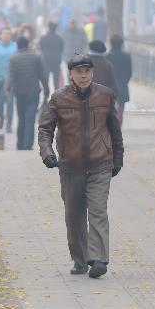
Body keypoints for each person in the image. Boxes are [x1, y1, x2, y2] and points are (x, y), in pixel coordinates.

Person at [38, 54, 124, 279]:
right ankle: (80, 260)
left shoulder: (105, 96)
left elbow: (115, 130)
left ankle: (98, 259)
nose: (84, 75)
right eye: (79, 71)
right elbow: (45, 129)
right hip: (70, 166)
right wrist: (47, 153)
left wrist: (118, 159)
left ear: (92, 73)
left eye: (87, 71)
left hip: (100, 164)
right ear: (71, 74)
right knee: (74, 216)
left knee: (97, 210)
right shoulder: (59, 98)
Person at [5, 37, 49, 150]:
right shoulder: (36, 57)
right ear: (28, 44)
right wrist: (46, 90)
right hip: (33, 92)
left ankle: (20, 144)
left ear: (17, 45)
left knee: (21, 118)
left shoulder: (13, 58)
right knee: (30, 119)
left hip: (19, 92)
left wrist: (7, 89)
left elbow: (11, 76)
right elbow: (42, 75)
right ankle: (28, 145)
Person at [106, 34, 132, 122]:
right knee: (120, 109)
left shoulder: (107, 56)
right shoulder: (127, 56)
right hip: (122, 84)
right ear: (122, 43)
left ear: (111, 43)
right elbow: (129, 72)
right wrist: (125, 81)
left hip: (110, 86)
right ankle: (119, 126)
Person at [39, 22, 65, 91]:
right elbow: (61, 49)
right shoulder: (59, 39)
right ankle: (56, 97)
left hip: (46, 61)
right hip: (56, 62)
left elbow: (41, 48)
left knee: (45, 81)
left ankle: (46, 96)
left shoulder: (43, 38)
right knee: (56, 82)